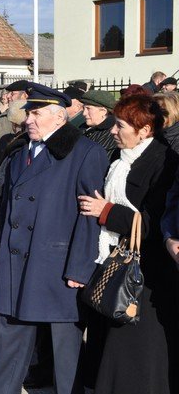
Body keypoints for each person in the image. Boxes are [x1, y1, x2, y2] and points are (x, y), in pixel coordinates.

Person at [0, 84, 109, 394]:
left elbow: (90, 215)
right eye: (28, 113)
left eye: (36, 114)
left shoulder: (85, 152)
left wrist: (80, 268)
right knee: (11, 336)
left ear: (59, 117)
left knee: (65, 347)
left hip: (58, 263)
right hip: (18, 260)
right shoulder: (20, 152)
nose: (28, 120)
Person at [82, 94, 178, 394]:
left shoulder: (164, 162)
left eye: (120, 125)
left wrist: (106, 212)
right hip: (114, 262)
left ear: (144, 130)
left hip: (146, 275)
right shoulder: (120, 157)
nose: (113, 130)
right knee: (109, 343)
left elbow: (153, 223)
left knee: (136, 352)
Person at [80, 90, 119, 161]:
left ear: (103, 111)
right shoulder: (83, 128)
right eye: (83, 108)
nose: (84, 113)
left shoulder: (111, 134)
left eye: (88, 108)